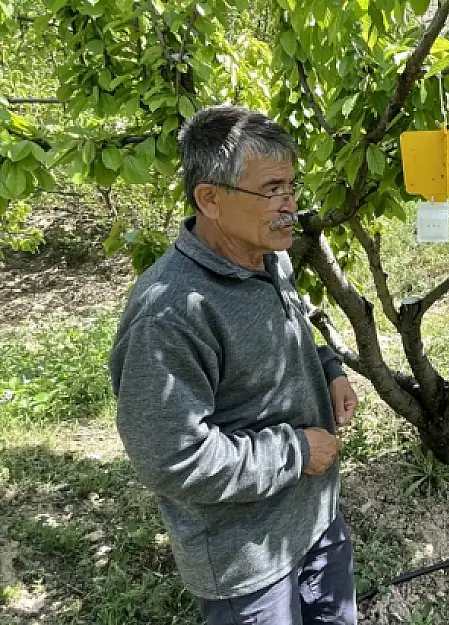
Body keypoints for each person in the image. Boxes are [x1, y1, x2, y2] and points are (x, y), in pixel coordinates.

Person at [108, 104, 360, 624]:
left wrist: (329, 368)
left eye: (292, 187)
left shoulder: (271, 256)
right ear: (210, 198)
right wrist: (295, 453)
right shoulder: (170, 312)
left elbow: (290, 329)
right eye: (272, 190)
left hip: (314, 520)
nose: (290, 206)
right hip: (246, 561)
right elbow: (171, 459)